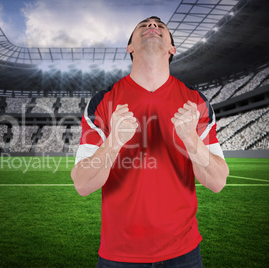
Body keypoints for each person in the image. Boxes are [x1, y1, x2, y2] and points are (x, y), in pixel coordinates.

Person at [71, 16, 229, 267]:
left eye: (160, 26)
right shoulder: (101, 102)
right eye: (143, 26)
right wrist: (113, 142)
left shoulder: (196, 101)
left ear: (172, 49)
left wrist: (190, 139)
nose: (152, 26)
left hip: (184, 252)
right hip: (118, 254)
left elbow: (217, 181)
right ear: (130, 48)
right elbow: (82, 183)